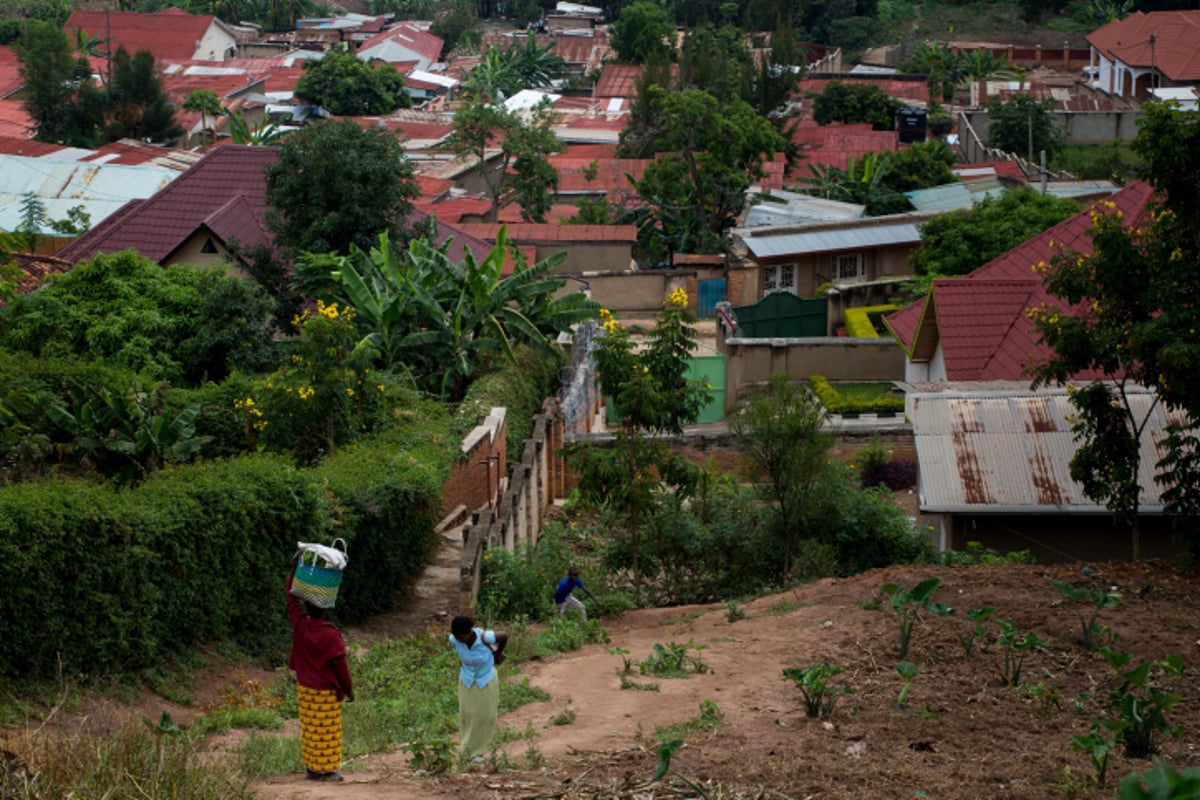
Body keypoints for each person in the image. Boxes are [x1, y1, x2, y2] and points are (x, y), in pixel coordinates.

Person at [287, 561, 354, 782]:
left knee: (310, 729)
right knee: (328, 731)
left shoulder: (300, 624)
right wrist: (348, 689)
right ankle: (327, 771)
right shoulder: (330, 634)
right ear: (326, 607)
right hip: (325, 691)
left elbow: (291, 598)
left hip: (305, 689)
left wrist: (296, 569)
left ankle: (312, 769)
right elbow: (340, 666)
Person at [449, 615, 508, 762]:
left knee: (485, 715)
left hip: (485, 679)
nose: (460, 640)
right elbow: (459, 652)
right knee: (467, 715)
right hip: (467, 679)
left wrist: (498, 653)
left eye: (462, 637)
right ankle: (467, 748)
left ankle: (478, 752)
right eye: (457, 637)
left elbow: (504, 636)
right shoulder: (453, 639)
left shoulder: (485, 638)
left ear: (470, 632)